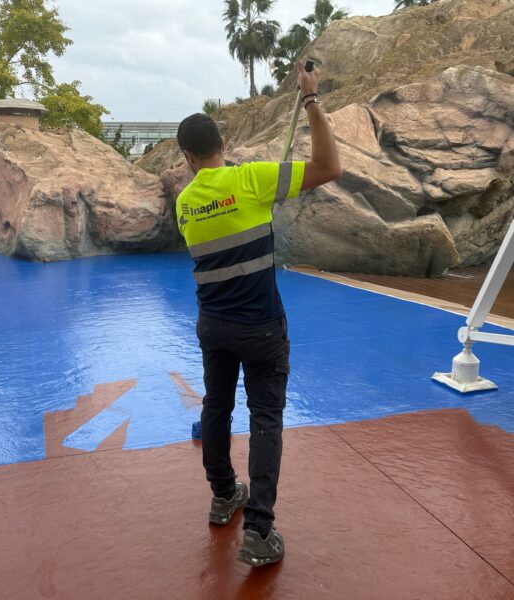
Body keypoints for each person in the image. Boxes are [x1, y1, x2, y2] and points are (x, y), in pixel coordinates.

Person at [175, 61, 341, 567]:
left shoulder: (185, 204)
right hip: (261, 328)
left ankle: (224, 494)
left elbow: (223, 216)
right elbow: (329, 167)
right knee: (265, 417)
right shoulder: (252, 181)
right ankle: (259, 530)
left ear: (187, 157)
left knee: (217, 406)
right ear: (223, 143)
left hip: (213, 327)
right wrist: (309, 98)